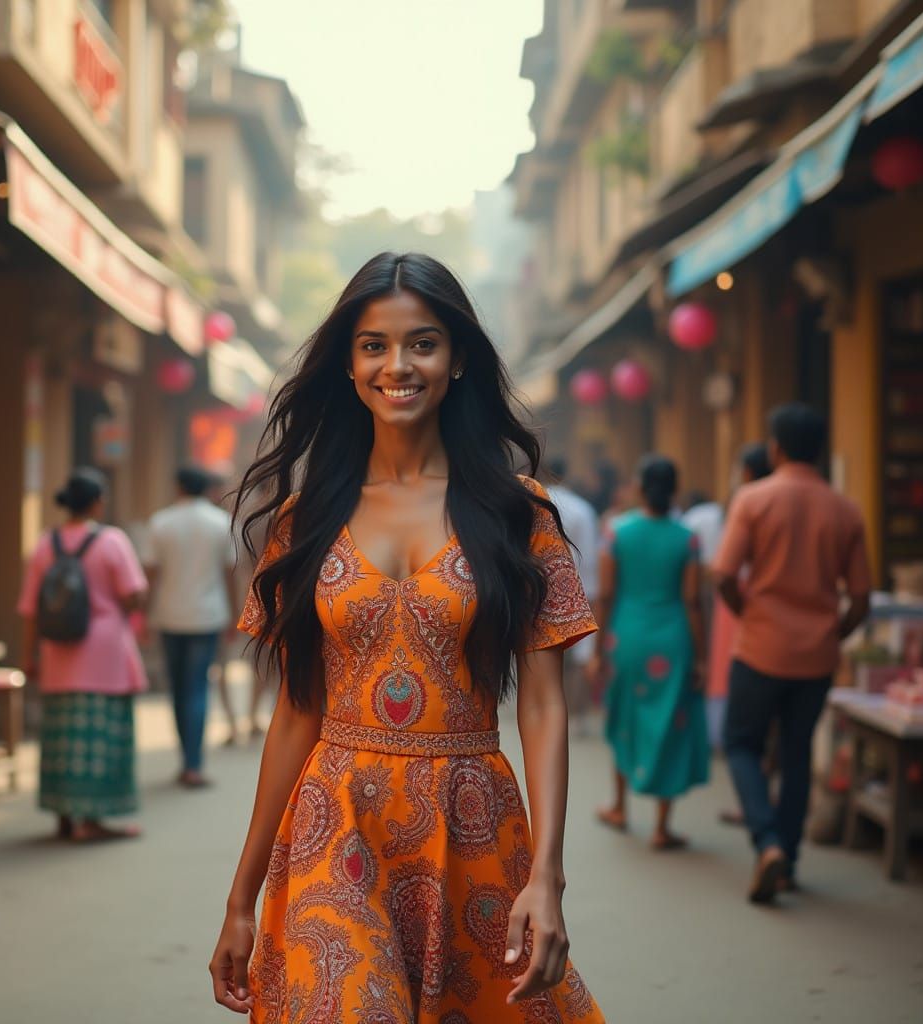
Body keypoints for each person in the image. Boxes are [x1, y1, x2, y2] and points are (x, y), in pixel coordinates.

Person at [209, 252, 604, 1021]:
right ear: (350, 366)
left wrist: (547, 878)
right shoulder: (305, 518)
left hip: (474, 821)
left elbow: (545, 707)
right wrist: (240, 898)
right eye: (374, 346)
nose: (398, 365)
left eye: (423, 343)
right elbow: (294, 712)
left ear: (457, 359)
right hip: (335, 824)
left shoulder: (516, 512)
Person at [715, 403, 871, 903]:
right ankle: (789, 857)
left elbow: (723, 574)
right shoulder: (846, 510)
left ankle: (767, 843)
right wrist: (834, 633)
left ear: (776, 447)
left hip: (760, 646)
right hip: (816, 657)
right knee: (798, 751)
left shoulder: (754, 498)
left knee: (742, 744)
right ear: (820, 450)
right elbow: (862, 596)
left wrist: (748, 614)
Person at [17, 467, 148, 842]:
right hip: (105, 655)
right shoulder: (112, 542)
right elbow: (132, 593)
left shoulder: (45, 544)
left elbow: (29, 609)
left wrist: (30, 656)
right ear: (96, 502)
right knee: (101, 740)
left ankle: (63, 814)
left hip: (58, 654)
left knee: (59, 739)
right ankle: (91, 820)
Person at [595, 455, 709, 850]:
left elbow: (606, 595)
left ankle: (620, 807)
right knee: (670, 724)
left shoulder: (616, 533)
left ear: (640, 488)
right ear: (674, 490)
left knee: (625, 713)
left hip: (628, 638)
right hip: (672, 640)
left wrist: (596, 649)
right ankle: (662, 827)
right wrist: (701, 656)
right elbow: (693, 601)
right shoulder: (687, 539)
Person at [145, 465, 237, 788]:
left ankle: (186, 758)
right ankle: (194, 764)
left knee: (179, 688)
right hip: (208, 615)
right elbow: (230, 575)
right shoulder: (220, 523)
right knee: (198, 687)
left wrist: (145, 614)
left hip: (169, 614)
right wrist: (236, 614)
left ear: (179, 487)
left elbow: (151, 575)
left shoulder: (161, 522)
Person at [706, 443, 772, 751]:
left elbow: (725, 570)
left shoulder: (745, 502)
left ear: (745, 472)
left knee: (733, 668)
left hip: (743, 600)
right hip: (770, 605)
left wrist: (738, 606)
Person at [544, 457, 601, 735]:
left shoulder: (532, 502)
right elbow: (588, 556)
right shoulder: (582, 509)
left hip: (539, 592)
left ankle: (549, 710)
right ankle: (576, 714)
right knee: (579, 654)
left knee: (547, 654)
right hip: (576, 586)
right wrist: (591, 593)